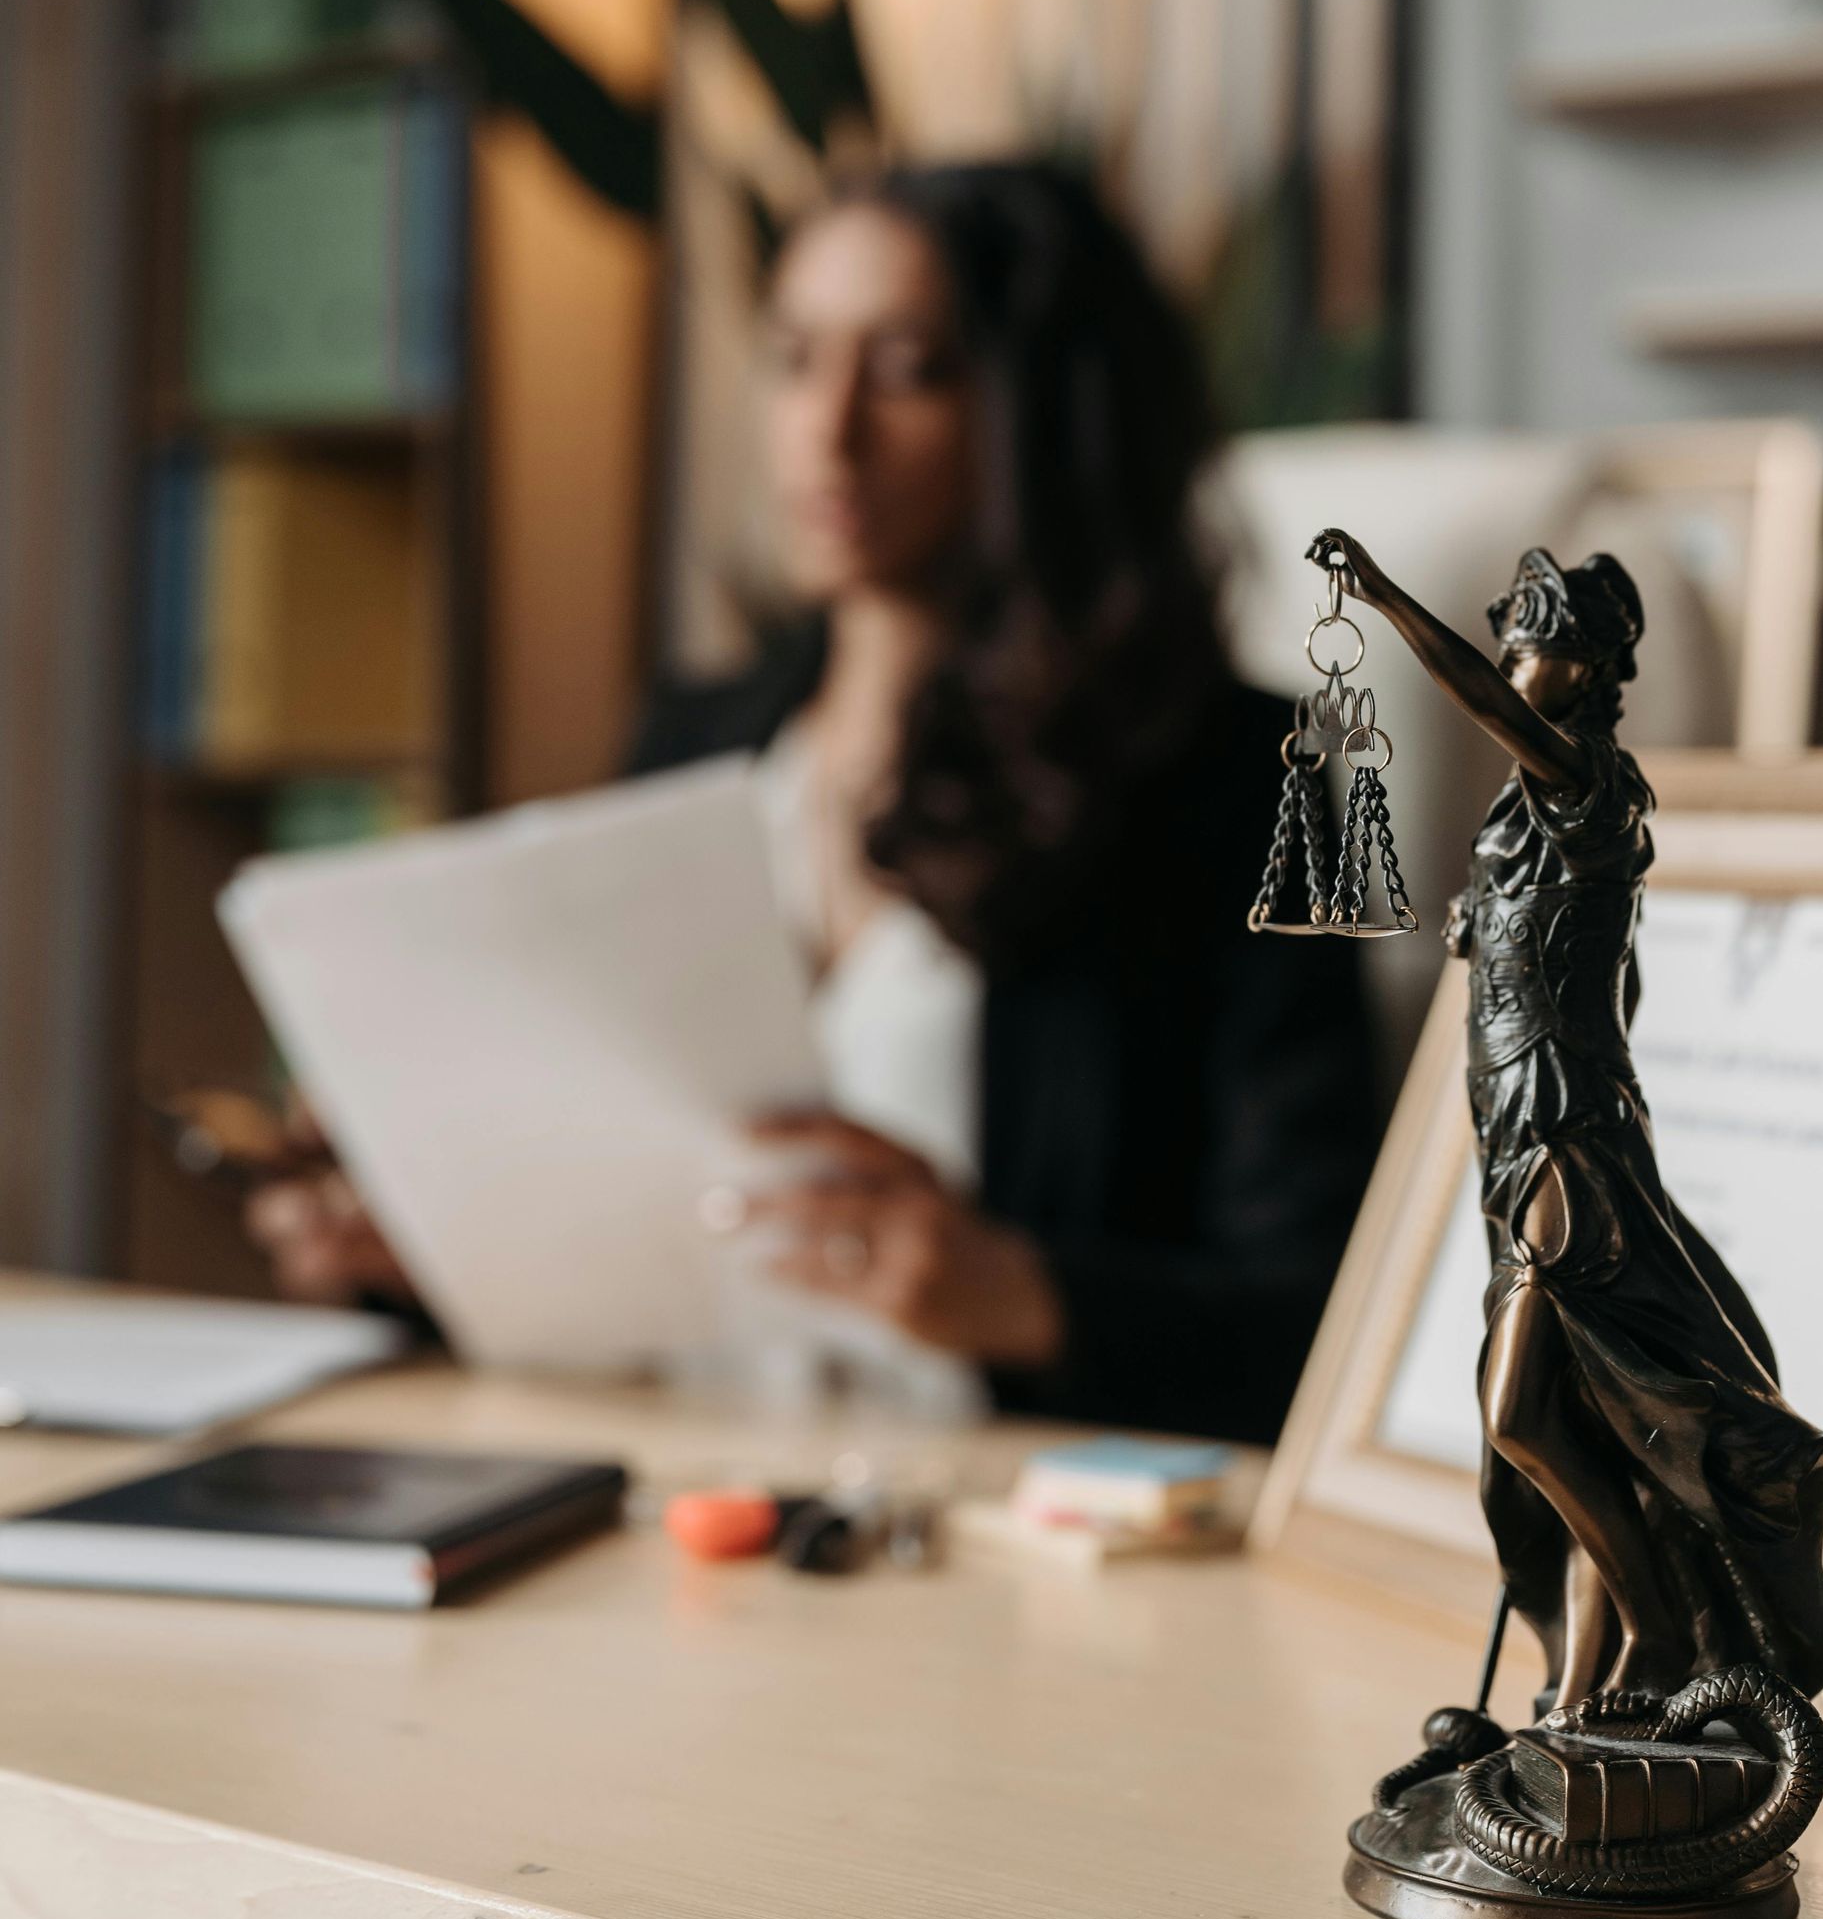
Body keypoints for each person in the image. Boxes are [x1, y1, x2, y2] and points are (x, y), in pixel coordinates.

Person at [249, 163, 1380, 1443]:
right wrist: (425, 1246)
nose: (826, 429)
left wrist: (1028, 1298)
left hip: (986, 1542)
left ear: (1041, 417)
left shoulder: (1234, 782)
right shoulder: (696, 743)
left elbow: (1331, 1322)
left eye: (908, 369)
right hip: (659, 1490)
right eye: (794, 359)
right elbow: (629, 1232)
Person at [1308, 527, 1823, 1705]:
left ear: (1588, 670)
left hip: (1564, 1136)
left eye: (1532, 645)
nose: (1512, 658)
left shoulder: (1588, 784)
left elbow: (1476, 700)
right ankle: (1589, 1678)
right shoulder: (1522, 814)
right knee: (1569, 1424)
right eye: (1510, 639)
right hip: (1514, 1131)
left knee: (1522, 1412)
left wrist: (1387, 593)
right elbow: (1617, 970)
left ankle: (1656, 1620)